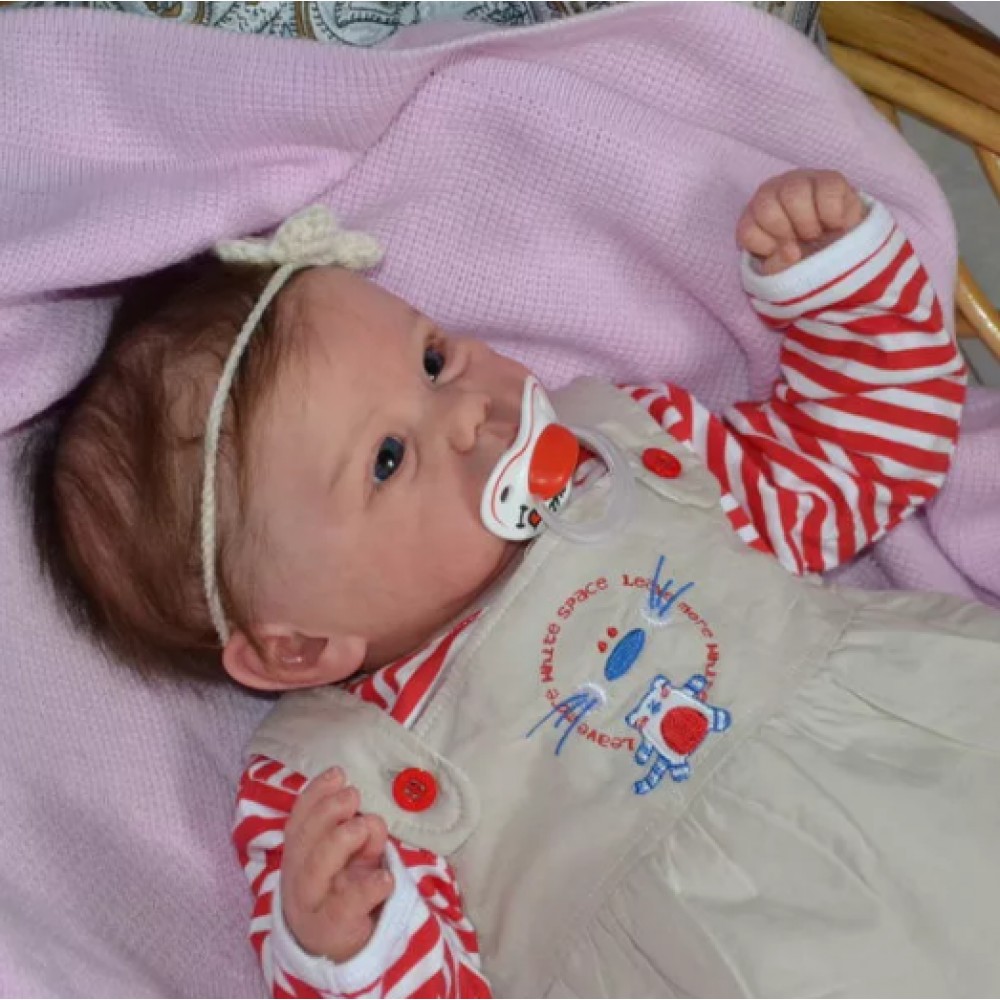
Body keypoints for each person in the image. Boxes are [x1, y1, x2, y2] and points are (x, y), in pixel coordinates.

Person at [30, 170, 1000, 998]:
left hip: (924, 770)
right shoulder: (336, 774)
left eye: (432, 358)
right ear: (298, 647)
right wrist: (347, 949)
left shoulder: (626, 447)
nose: (468, 411)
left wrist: (836, 290)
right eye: (387, 459)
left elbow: (857, 462)